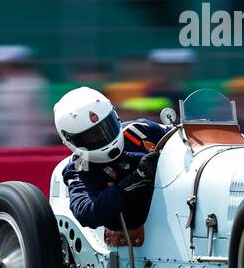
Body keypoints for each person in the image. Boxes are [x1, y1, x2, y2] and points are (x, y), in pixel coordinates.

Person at [54, 86, 165, 231]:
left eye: (107, 126)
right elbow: (85, 212)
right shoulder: (80, 165)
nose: (103, 135)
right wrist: (131, 183)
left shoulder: (140, 129)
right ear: (72, 140)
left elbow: (184, 138)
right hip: (138, 229)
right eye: (92, 135)